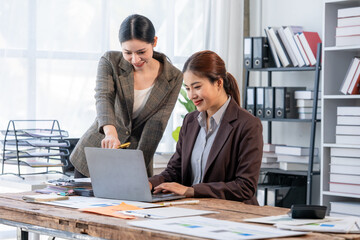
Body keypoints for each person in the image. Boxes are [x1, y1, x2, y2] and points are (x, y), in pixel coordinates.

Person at [70, 14, 183, 178]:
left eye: (141, 52)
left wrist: (138, 168)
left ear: (155, 42)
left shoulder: (173, 77)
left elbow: (157, 125)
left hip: (136, 156)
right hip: (98, 150)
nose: (135, 59)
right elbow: (104, 97)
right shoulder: (110, 61)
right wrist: (110, 133)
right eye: (127, 52)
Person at [148, 50, 263, 205]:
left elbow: (245, 187)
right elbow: (174, 171)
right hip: (193, 210)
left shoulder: (247, 124)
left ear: (218, 83)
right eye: (188, 88)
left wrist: (192, 191)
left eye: (197, 87)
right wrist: (148, 184)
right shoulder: (190, 121)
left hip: (233, 214)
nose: (191, 95)